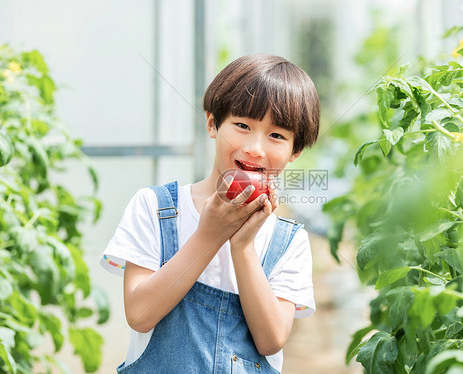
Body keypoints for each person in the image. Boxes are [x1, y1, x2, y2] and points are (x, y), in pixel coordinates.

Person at [100, 54, 320, 373]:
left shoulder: (288, 241)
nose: (255, 148)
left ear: (295, 150)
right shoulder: (154, 207)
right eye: (242, 125)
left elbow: (271, 339)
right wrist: (210, 235)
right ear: (212, 123)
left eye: (276, 135)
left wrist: (242, 248)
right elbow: (139, 313)